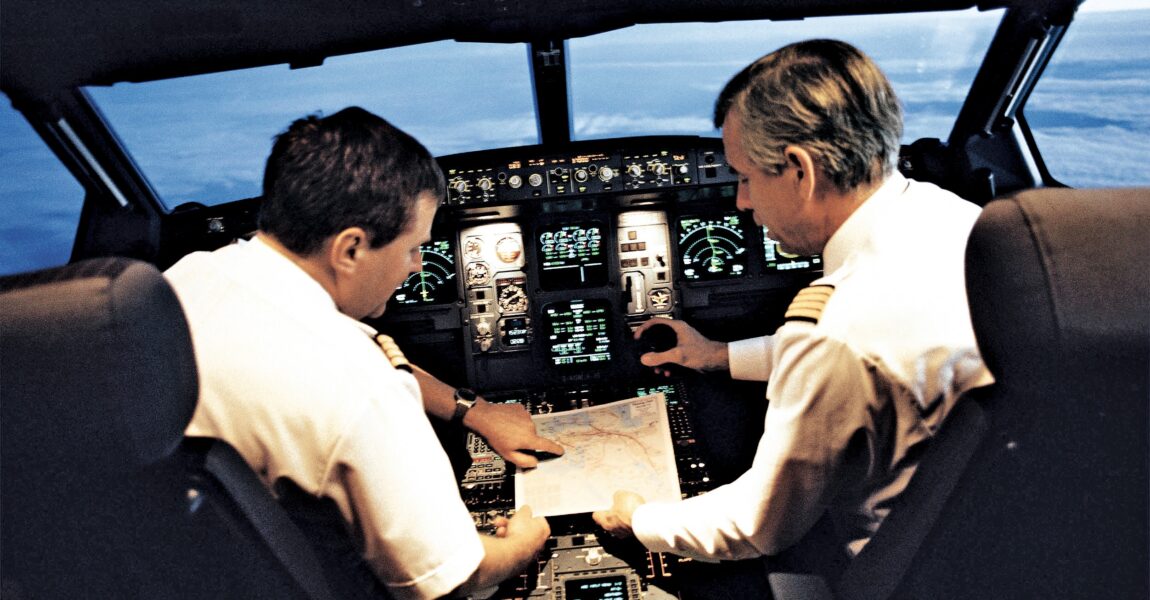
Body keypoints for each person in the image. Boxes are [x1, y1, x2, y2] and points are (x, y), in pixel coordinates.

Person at [592, 39, 993, 565]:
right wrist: (717, 355)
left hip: (894, 568)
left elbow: (756, 524)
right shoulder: (952, 216)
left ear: (800, 170)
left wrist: (638, 517)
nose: (742, 202)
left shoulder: (839, 325)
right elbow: (881, 366)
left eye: (746, 178)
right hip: (984, 526)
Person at [165, 106, 563, 600]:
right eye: (412, 247)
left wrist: (473, 411)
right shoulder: (357, 387)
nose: (418, 267)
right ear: (350, 249)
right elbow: (454, 576)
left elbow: (357, 347)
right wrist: (527, 542)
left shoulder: (190, 276)